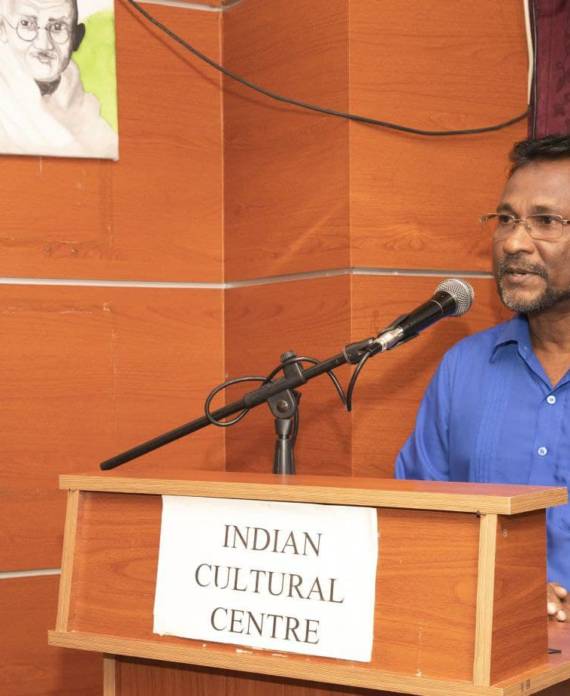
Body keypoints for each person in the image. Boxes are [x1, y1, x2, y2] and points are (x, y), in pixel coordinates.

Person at [396, 134, 570, 622]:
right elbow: (417, 526)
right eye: (506, 219)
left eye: (546, 221)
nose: (514, 242)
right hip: (480, 644)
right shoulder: (463, 368)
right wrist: (499, 591)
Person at [0, 0, 118, 158]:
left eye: (57, 27)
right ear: (2, 29)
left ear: (77, 37)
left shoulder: (84, 108)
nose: (43, 44)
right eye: (26, 24)